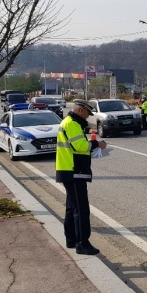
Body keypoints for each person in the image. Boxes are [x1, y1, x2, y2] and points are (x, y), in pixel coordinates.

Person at [56, 99, 107, 255]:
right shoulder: (72, 123)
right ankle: (82, 244)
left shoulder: (69, 122)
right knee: (81, 209)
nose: (87, 117)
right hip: (74, 171)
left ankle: (71, 239)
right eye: (86, 114)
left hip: (68, 169)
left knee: (72, 208)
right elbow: (80, 146)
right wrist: (97, 144)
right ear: (80, 110)